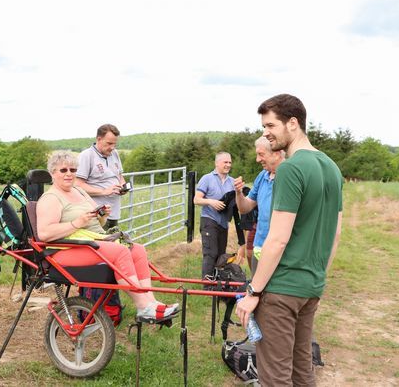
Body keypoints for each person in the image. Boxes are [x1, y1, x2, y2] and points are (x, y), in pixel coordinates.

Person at [235, 94, 343, 386]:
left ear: (293, 123)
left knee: (276, 376)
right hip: (311, 286)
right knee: (302, 370)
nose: (266, 132)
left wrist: (253, 292)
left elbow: (277, 239)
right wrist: (318, 274)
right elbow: (335, 233)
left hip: (281, 290)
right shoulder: (331, 168)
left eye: (270, 125)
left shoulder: (290, 168)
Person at [36, 150, 178, 322]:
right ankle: (143, 306)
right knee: (120, 251)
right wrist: (76, 223)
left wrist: (101, 216)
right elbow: (44, 234)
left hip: (90, 241)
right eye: (63, 170)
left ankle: (152, 303)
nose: (69, 174)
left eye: (73, 170)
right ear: (53, 173)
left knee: (137, 250)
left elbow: (97, 226)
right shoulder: (50, 198)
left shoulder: (79, 192)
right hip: (64, 249)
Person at [234, 137, 285, 275]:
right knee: (257, 292)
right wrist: (239, 193)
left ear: (276, 153)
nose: (257, 159)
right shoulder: (262, 176)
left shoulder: (289, 177)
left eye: (261, 154)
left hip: (282, 250)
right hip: (260, 246)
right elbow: (245, 207)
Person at [194, 151, 243, 279]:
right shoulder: (207, 178)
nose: (228, 165)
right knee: (211, 253)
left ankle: (218, 284)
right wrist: (211, 201)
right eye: (225, 162)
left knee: (221, 254)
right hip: (209, 219)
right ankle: (207, 286)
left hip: (223, 223)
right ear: (217, 163)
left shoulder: (232, 182)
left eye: (230, 162)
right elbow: (196, 199)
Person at [76, 124, 128, 230]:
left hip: (114, 212)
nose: (112, 147)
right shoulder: (86, 156)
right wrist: (104, 191)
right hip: (97, 215)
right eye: (109, 143)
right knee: (102, 245)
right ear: (99, 139)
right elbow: (78, 185)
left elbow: (119, 175)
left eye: (114, 144)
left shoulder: (114, 153)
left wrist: (123, 187)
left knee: (114, 244)